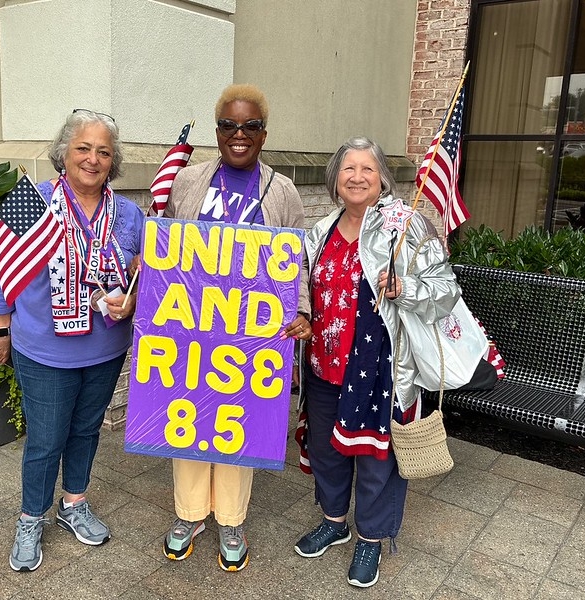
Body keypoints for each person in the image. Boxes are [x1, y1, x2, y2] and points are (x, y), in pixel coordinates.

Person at [294, 137, 460, 588]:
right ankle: (334, 522)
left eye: (367, 168)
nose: (357, 177)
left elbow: (446, 291)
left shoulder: (405, 226)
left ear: (383, 178)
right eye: (348, 169)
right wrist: (303, 317)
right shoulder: (320, 231)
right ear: (335, 180)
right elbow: (304, 290)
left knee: (375, 459)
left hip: (382, 371)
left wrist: (407, 288)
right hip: (324, 366)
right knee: (328, 453)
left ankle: (371, 538)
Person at [0, 110, 144, 572]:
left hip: (106, 347)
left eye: (103, 152)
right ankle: (31, 518)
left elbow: (144, 274)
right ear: (64, 153)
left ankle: (74, 503)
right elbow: (2, 272)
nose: (93, 159)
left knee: (86, 430)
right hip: (44, 349)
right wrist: (0, 331)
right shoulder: (32, 202)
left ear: (113, 162)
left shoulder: (129, 214)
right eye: (83, 148)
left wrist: (132, 300)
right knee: (46, 438)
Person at [161, 83, 312, 572]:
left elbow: (298, 261)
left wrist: (301, 309)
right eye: (229, 125)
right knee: (187, 417)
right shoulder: (189, 181)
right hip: (191, 325)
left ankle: (230, 519)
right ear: (217, 131)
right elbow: (167, 246)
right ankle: (189, 514)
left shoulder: (282, 190)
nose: (239, 134)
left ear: (264, 133)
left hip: (253, 331)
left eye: (250, 126)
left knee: (235, 421)